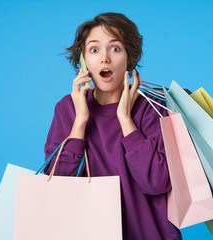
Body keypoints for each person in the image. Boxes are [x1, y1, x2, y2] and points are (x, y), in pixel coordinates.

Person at [44, 12, 182, 240]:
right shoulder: (67, 109)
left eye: (115, 48)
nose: (105, 58)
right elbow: (58, 189)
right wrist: (80, 123)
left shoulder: (153, 107)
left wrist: (126, 121)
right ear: (83, 60)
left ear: (130, 58)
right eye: (94, 49)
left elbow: (157, 183)